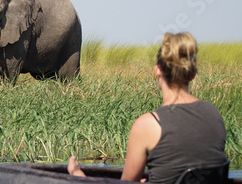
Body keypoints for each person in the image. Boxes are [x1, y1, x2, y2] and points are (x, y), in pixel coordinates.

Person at [68, 32, 227, 183]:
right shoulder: (214, 115)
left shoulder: (147, 125)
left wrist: (79, 177)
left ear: (157, 70)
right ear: (192, 73)